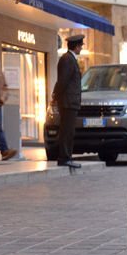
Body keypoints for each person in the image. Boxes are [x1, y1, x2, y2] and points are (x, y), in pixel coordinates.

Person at [53, 33, 85, 169]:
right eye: (81, 46)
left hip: (70, 101)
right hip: (68, 102)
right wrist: (55, 96)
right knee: (67, 131)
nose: (81, 48)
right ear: (77, 47)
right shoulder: (68, 59)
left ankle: (66, 157)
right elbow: (63, 81)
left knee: (69, 130)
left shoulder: (70, 58)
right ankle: (65, 158)